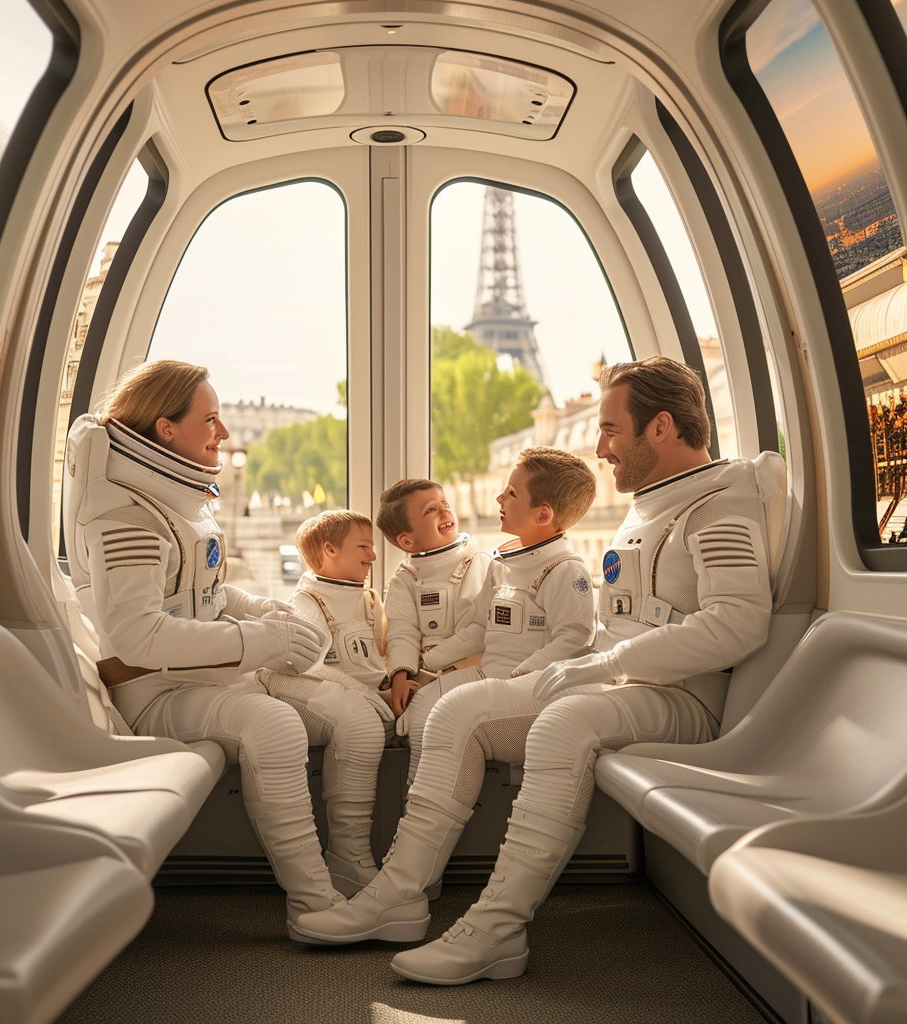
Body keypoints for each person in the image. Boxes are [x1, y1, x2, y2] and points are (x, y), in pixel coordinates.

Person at [289, 356, 786, 989]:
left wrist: (600, 665)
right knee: (456, 709)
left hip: (681, 699)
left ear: (660, 427)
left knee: (565, 722)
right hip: (624, 683)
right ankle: (399, 895)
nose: (601, 447)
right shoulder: (651, 508)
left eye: (610, 430)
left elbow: (738, 625)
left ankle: (497, 927)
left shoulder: (719, 503)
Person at [62, 359, 345, 932]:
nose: (224, 433)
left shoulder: (165, 501)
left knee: (343, 707)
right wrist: (256, 640)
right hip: (151, 692)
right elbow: (136, 636)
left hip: (193, 679)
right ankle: (314, 904)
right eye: (211, 420)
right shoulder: (124, 514)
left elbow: (201, 592)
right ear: (166, 431)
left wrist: (259, 610)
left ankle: (346, 869)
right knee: (275, 726)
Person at [389, 452, 598, 788]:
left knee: (447, 713)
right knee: (424, 703)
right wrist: (425, 665)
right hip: (492, 675)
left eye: (511, 494)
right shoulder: (501, 564)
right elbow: (478, 627)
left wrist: (520, 676)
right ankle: (418, 793)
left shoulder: (565, 570)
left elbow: (574, 640)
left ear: (543, 514)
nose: (499, 498)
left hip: (526, 687)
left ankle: (433, 798)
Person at [257, 509, 395, 896]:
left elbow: (379, 656)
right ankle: (348, 857)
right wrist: (365, 695)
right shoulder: (309, 600)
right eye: (363, 547)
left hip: (364, 695)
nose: (372, 556)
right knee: (358, 722)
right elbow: (308, 662)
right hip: (303, 685)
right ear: (330, 549)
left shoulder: (369, 599)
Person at [376, 479, 492, 782]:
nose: (444, 512)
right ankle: (417, 796)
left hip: (470, 670)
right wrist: (401, 673)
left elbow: (479, 631)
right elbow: (401, 630)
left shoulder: (478, 563)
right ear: (407, 541)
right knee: (412, 727)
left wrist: (427, 666)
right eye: (431, 510)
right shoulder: (405, 578)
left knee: (435, 723)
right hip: (423, 675)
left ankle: (426, 798)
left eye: (445, 504)